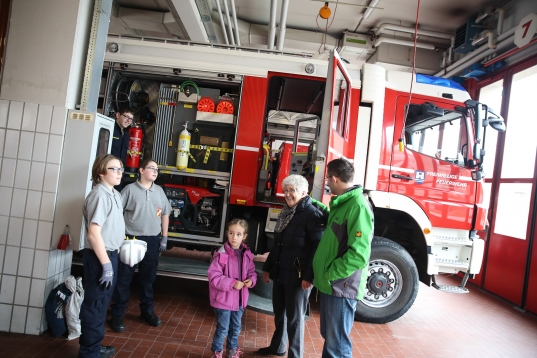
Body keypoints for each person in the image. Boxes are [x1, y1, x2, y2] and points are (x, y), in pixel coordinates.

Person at [257, 175, 325, 358]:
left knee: (295, 319)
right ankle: (277, 347)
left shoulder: (312, 214)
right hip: (281, 271)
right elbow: (278, 244)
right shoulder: (287, 212)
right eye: (285, 190)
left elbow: (318, 248)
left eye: (292, 190)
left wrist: (309, 276)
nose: (287, 194)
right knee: (280, 313)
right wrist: (268, 267)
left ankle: (295, 355)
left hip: (298, 276)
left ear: (303, 192)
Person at [312, 158, 374, 358]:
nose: (327, 183)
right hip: (334, 284)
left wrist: (331, 274)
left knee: (337, 344)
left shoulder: (358, 206)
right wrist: (312, 202)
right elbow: (335, 224)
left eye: (328, 178)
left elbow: (358, 255)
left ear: (335, 178)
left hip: (341, 285)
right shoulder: (343, 203)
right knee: (330, 336)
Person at [110, 159, 172, 332]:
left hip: (152, 240)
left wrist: (164, 237)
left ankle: (147, 311)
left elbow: (165, 213)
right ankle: (118, 314)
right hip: (131, 239)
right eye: (152, 168)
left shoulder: (159, 191)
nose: (155, 171)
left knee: (148, 279)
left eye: (157, 169)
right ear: (141, 170)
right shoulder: (129, 190)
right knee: (124, 278)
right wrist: (118, 236)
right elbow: (117, 212)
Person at [78, 154, 125, 358]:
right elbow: (93, 233)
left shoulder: (114, 193)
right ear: (101, 173)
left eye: (120, 169)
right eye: (114, 169)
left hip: (109, 256)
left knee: (101, 304)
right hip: (100, 258)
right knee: (95, 306)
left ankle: (94, 346)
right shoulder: (99, 195)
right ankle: (89, 352)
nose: (119, 172)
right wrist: (106, 265)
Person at [208, 219, 257, 358]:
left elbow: (252, 272)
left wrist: (251, 280)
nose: (234, 237)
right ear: (227, 233)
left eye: (238, 234)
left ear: (244, 236)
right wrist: (232, 283)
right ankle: (217, 352)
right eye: (231, 233)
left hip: (240, 301)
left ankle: (232, 350)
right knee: (223, 328)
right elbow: (214, 276)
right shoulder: (221, 254)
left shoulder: (246, 254)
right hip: (224, 301)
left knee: (236, 328)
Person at [111, 106, 135, 191]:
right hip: (108, 171)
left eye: (131, 119)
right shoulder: (110, 129)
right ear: (118, 115)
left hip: (119, 172)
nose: (128, 121)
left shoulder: (126, 134)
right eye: (126, 116)